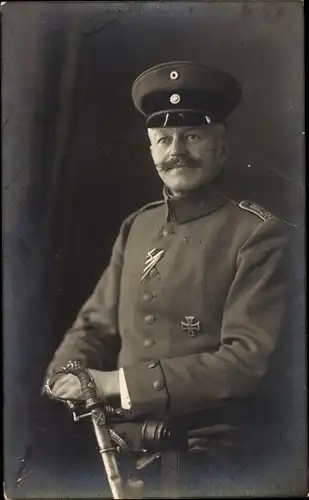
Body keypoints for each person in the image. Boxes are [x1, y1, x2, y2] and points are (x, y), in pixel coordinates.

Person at [43, 61, 290, 497]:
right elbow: (93, 326)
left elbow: (247, 361)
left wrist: (115, 384)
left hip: (216, 459)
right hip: (124, 448)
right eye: (163, 139)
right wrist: (67, 374)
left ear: (222, 146)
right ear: (152, 151)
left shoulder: (257, 233)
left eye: (193, 136)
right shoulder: (137, 227)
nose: (177, 150)